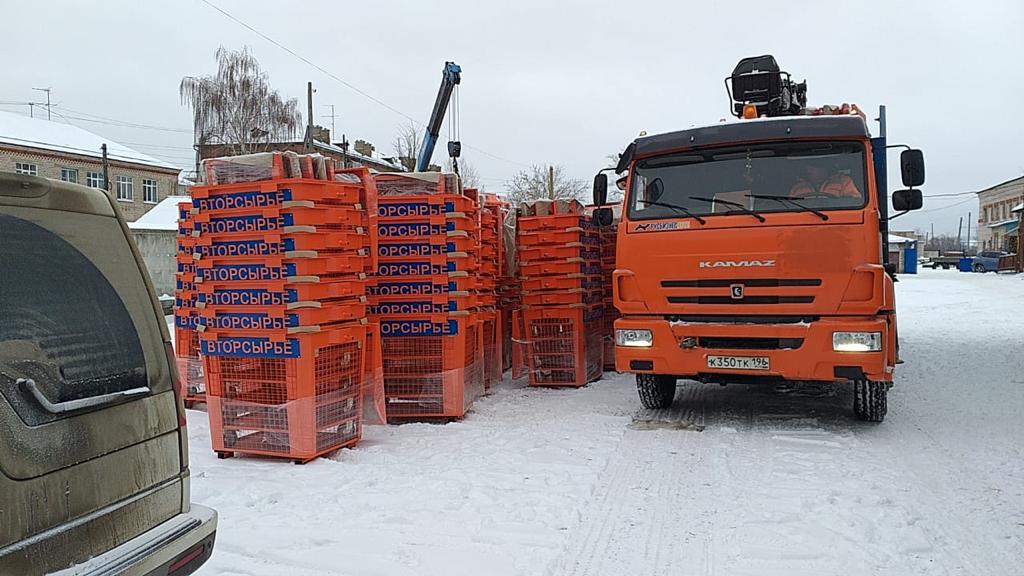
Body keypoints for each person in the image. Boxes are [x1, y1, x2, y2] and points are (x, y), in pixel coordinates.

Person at [789, 164, 861, 199]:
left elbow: (854, 200)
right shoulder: (798, 187)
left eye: (812, 169)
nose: (808, 172)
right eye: (807, 169)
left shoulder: (843, 182)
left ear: (824, 168)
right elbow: (790, 207)